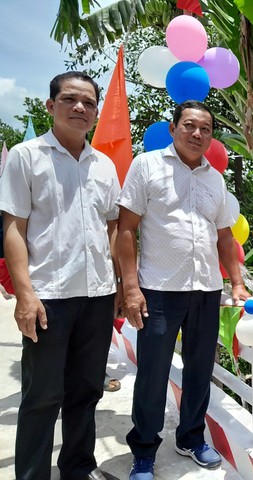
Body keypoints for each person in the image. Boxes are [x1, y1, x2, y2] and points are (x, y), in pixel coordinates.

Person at [117, 100, 249, 480]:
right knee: (153, 375)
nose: (197, 134)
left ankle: (191, 437)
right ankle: (143, 451)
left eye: (205, 129)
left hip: (206, 289)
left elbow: (224, 236)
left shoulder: (215, 179)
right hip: (158, 289)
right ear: (173, 128)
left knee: (198, 371)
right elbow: (126, 229)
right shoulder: (147, 166)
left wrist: (236, 282)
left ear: (210, 137)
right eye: (189, 126)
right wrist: (130, 288)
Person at [0, 72, 121, 480]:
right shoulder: (26, 155)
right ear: (51, 106)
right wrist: (25, 294)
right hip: (48, 295)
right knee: (41, 396)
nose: (80, 107)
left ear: (96, 112)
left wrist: (119, 283)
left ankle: (78, 468)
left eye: (88, 102)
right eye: (70, 99)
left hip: (98, 296)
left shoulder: (104, 165)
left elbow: (112, 226)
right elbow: (14, 227)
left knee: (86, 391)